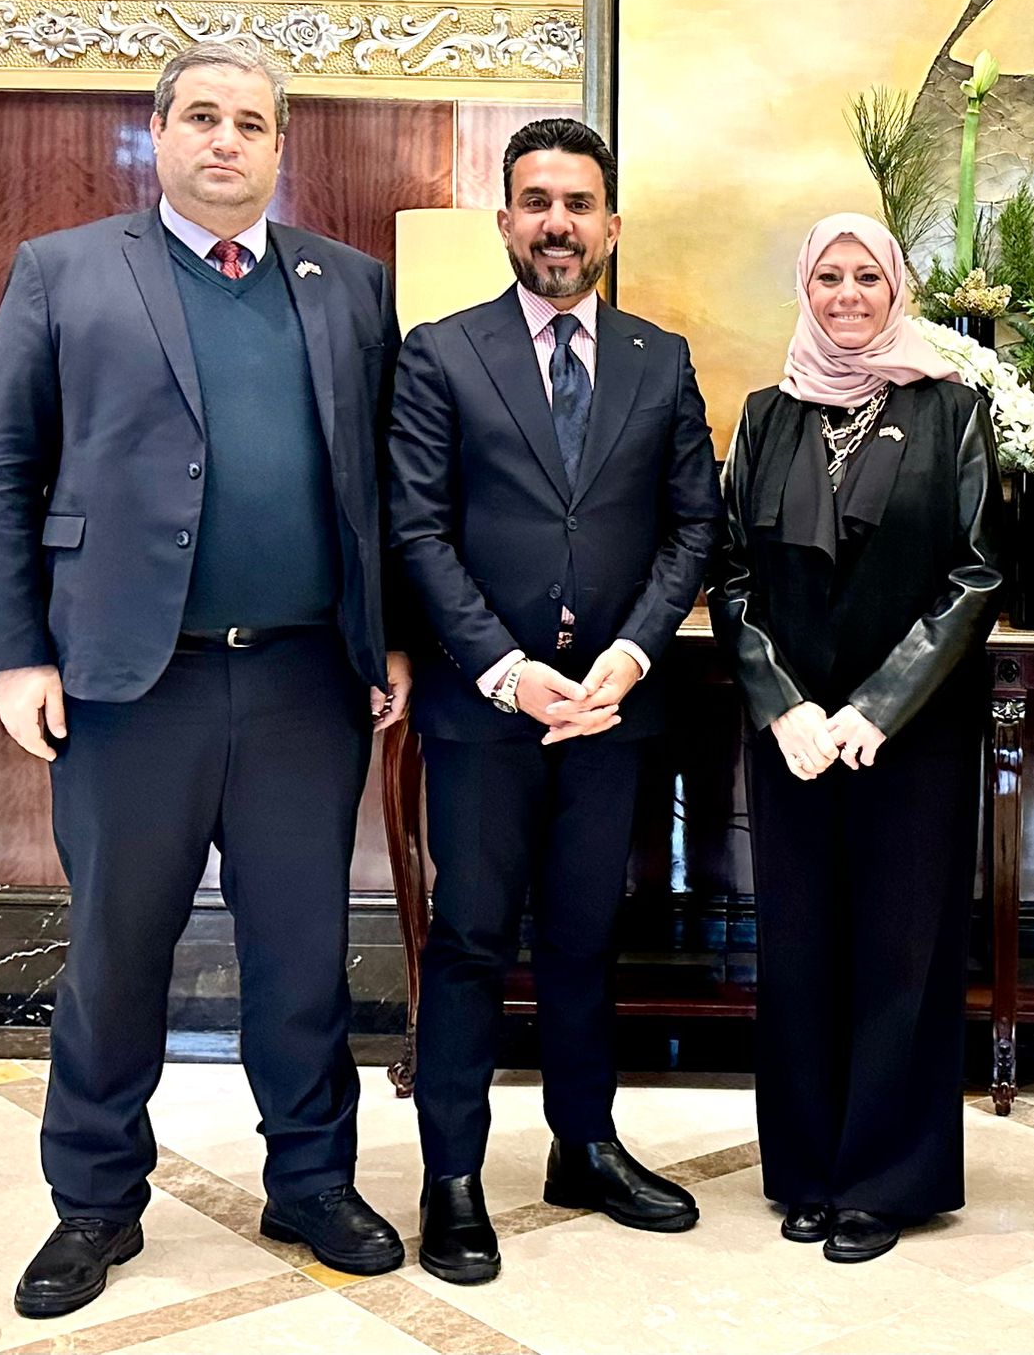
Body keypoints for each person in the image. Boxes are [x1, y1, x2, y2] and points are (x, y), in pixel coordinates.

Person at [0, 39, 410, 1319]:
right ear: (158, 133)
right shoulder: (63, 270)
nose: (225, 139)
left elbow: (380, 483)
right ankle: (95, 1200)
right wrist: (18, 650)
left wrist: (384, 635)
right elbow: (0, 466)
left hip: (301, 683)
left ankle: (311, 1180)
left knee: (302, 953)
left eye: (250, 123)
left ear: (279, 146)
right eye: (201, 116)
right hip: (126, 683)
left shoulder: (348, 285)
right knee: (115, 953)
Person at [387, 118, 721, 1286]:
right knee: (471, 939)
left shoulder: (659, 359)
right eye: (537, 202)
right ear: (506, 220)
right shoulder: (441, 353)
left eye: (578, 204)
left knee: (586, 936)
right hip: (484, 710)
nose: (558, 224)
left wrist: (630, 652)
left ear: (611, 225)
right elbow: (416, 529)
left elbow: (693, 526)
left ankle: (585, 1144)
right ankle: (452, 1175)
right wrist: (503, 667)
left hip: (610, 709)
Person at [708, 213, 1005, 1264]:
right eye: (828, 276)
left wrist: (879, 705)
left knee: (901, 948)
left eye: (866, 276)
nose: (846, 294)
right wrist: (781, 702)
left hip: (909, 732)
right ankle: (806, 1169)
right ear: (806, 288)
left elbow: (977, 570)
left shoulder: (952, 410)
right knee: (798, 946)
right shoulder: (766, 414)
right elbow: (730, 572)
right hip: (792, 731)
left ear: (896, 290)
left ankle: (885, 1179)